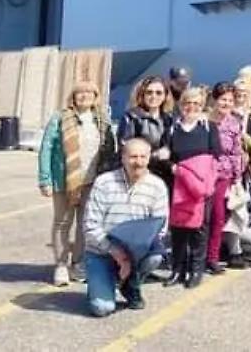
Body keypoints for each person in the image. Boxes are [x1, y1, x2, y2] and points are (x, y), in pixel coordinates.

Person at [38, 81, 118, 287]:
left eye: (89, 92)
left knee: (85, 225)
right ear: (73, 96)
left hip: (91, 182)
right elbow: (46, 148)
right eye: (80, 92)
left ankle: (79, 264)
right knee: (62, 223)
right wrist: (44, 179)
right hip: (64, 181)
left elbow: (110, 151)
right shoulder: (59, 118)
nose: (84, 95)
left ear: (96, 96)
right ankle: (61, 265)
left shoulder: (101, 120)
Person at [83, 138, 168, 317]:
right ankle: (103, 282)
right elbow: (90, 226)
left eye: (143, 157)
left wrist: (130, 258)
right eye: (133, 156)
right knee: (102, 308)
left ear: (149, 158)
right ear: (122, 157)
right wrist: (117, 253)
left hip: (136, 253)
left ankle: (129, 285)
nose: (138, 162)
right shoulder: (104, 182)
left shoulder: (157, 186)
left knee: (155, 258)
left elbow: (160, 229)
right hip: (102, 252)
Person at [167, 87, 221, 289]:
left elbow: (216, 155)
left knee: (200, 227)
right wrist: (173, 167)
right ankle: (177, 270)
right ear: (181, 105)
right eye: (188, 103)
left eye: (197, 103)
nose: (192, 107)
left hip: (201, 185)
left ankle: (196, 270)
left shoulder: (209, 127)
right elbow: (167, 154)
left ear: (202, 106)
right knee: (179, 227)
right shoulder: (173, 128)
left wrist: (206, 180)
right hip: (179, 183)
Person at [206, 83, 244, 275]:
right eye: (223, 99)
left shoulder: (234, 123)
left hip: (224, 177)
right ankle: (195, 257)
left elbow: (237, 152)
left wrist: (237, 178)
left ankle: (212, 257)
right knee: (201, 217)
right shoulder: (205, 121)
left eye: (230, 100)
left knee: (219, 216)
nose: (227, 103)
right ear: (214, 99)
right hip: (204, 175)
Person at [117, 75, 174, 187]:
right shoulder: (132, 117)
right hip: (140, 174)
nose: (154, 96)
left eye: (158, 93)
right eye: (149, 92)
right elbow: (125, 149)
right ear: (142, 95)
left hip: (165, 175)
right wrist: (154, 156)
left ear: (165, 96)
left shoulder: (170, 119)